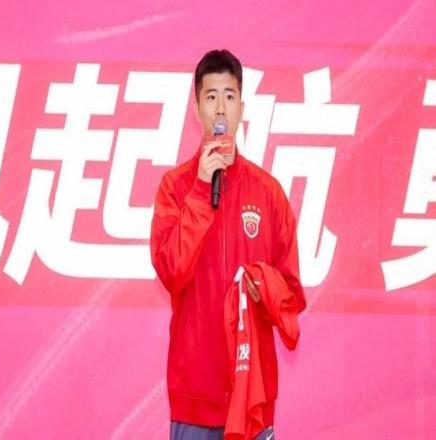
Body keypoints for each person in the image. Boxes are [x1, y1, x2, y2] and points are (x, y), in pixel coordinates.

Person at [150, 49, 306, 440]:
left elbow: (291, 293)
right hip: (194, 399)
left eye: (230, 96)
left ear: (241, 108)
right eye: (211, 96)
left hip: (251, 394)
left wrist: (263, 286)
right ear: (197, 108)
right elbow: (171, 270)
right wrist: (202, 189)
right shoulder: (175, 188)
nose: (220, 107)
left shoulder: (268, 192)